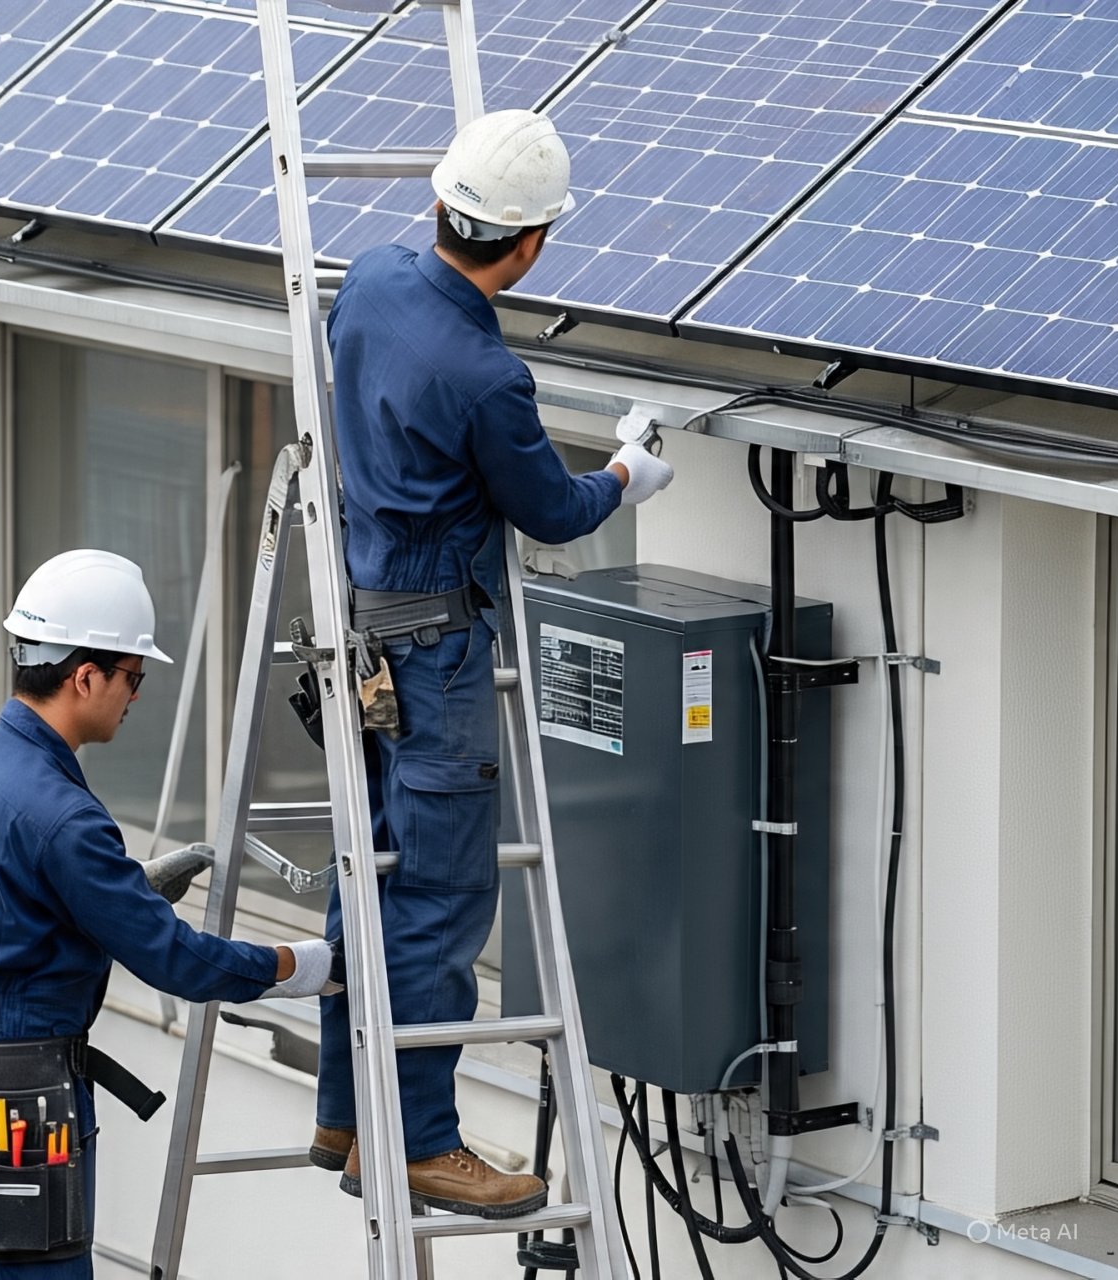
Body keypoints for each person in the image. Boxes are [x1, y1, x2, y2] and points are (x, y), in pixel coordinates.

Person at [312, 109, 674, 1217]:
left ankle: (346, 1106)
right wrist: (625, 474)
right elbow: (550, 512)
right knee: (435, 897)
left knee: (363, 878)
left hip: (363, 630)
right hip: (436, 662)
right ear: (527, 245)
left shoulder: (370, 282)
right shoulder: (484, 374)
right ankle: (416, 1141)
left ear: (437, 206)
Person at [0, 549, 338, 1279]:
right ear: (84, 676)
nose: (134, 696)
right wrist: (305, 966)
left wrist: (115, 891)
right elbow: (181, 963)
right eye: (132, 678)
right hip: (23, 1098)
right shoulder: (66, 818)